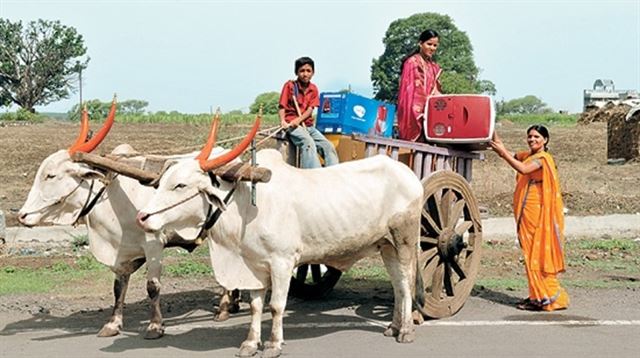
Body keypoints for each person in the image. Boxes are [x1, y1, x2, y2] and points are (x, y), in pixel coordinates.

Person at [490, 125, 569, 312]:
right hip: (526, 210)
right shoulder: (529, 155)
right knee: (529, 252)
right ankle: (537, 294)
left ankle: (545, 297)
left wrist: (503, 152)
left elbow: (524, 169)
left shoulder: (543, 159)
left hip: (537, 212)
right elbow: (505, 151)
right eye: (529, 136)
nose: (532, 139)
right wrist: (490, 127)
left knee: (537, 253)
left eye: (536, 137)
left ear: (545, 140)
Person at [278, 56, 339, 169]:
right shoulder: (290, 86)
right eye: (302, 71)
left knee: (328, 146)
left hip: (308, 125)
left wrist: (299, 120)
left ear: (313, 72)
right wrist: (283, 121)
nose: (305, 74)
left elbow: (310, 109)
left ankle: (333, 173)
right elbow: (282, 105)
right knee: (308, 143)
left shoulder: (313, 89)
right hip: (292, 125)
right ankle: (312, 175)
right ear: (296, 72)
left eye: (308, 71)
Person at [397, 29, 442, 142]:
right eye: (429, 44)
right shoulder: (412, 63)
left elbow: (434, 90)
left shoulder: (433, 67)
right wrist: (424, 106)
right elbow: (410, 92)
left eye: (435, 45)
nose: (432, 48)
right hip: (415, 112)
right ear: (420, 43)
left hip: (429, 113)